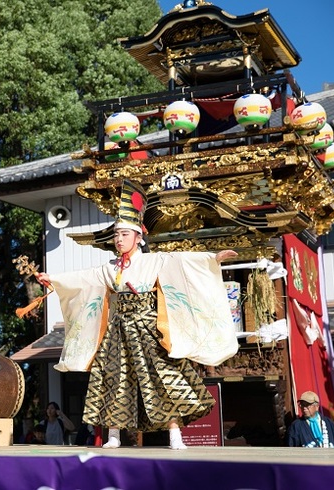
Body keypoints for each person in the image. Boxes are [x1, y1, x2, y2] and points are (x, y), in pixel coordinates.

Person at [36, 180, 239, 450]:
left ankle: (175, 434)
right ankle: (114, 435)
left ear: (138, 237)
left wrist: (213, 258)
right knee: (113, 379)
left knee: (163, 376)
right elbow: (82, 279)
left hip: (147, 329)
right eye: (116, 234)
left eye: (124, 234)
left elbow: (183, 263)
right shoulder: (109, 268)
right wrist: (54, 279)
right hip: (117, 331)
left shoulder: (153, 261)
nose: (118, 239)